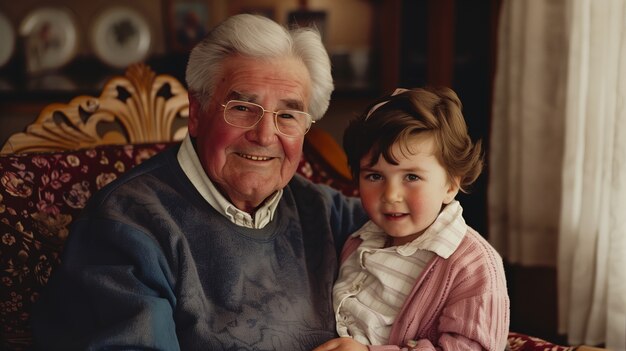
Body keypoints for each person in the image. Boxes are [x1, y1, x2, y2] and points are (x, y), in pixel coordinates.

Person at [32, 14, 367, 350]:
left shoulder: (326, 212)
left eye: (288, 115)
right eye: (242, 107)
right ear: (196, 113)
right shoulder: (127, 225)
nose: (265, 136)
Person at [314, 88, 510, 351]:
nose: (391, 195)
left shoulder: (472, 266)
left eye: (412, 177)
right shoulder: (359, 240)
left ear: (451, 185)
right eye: (374, 176)